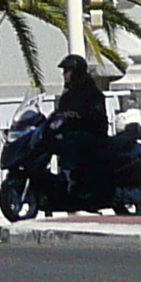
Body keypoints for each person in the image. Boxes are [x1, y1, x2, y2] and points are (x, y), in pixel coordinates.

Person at [55, 54, 111, 204]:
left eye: (68, 70)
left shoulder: (91, 92)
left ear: (77, 71)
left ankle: (69, 177)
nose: (64, 74)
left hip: (92, 135)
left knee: (71, 140)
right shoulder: (68, 95)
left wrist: (78, 115)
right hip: (73, 134)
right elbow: (59, 113)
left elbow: (97, 116)